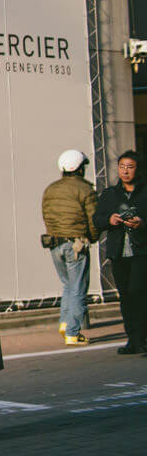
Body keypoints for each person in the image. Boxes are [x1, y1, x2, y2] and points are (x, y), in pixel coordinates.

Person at [94, 150, 147, 355]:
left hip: (141, 252)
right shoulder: (109, 194)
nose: (125, 171)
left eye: (130, 167)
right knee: (125, 296)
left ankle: (142, 338)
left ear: (138, 169)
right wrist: (110, 219)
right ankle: (133, 340)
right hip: (119, 253)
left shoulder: (144, 193)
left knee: (138, 293)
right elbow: (96, 219)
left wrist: (142, 223)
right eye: (122, 166)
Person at [43, 149, 98, 346]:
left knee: (68, 285)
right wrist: (93, 237)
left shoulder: (50, 189)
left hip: (54, 243)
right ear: (79, 169)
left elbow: (47, 216)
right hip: (76, 244)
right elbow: (93, 218)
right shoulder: (85, 189)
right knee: (78, 288)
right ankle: (73, 332)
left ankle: (65, 323)